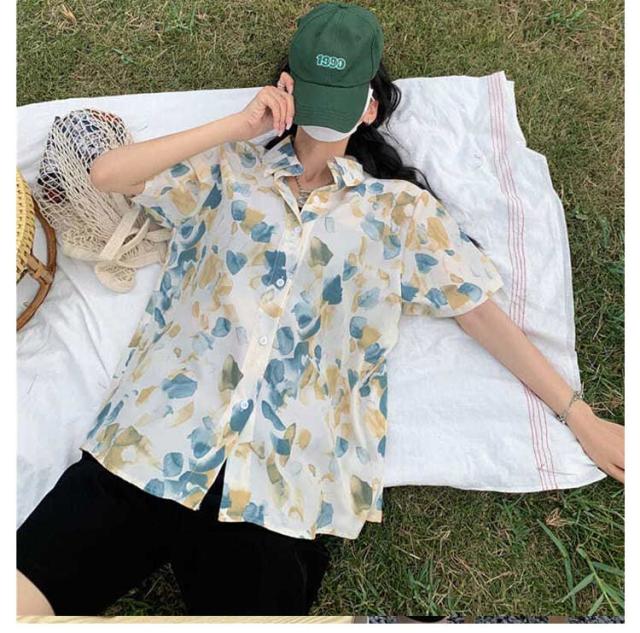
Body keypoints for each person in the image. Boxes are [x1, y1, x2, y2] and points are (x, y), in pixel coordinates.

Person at [17, 1, 624, 617]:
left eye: (343, 103)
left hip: (279, 490)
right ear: (286, 89)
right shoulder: (228, 172)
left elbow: (480, 314)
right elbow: (108, 174)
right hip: (150, 445)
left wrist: (579, 416)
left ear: (370, 108)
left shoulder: (401, 213)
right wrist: (236, 126)